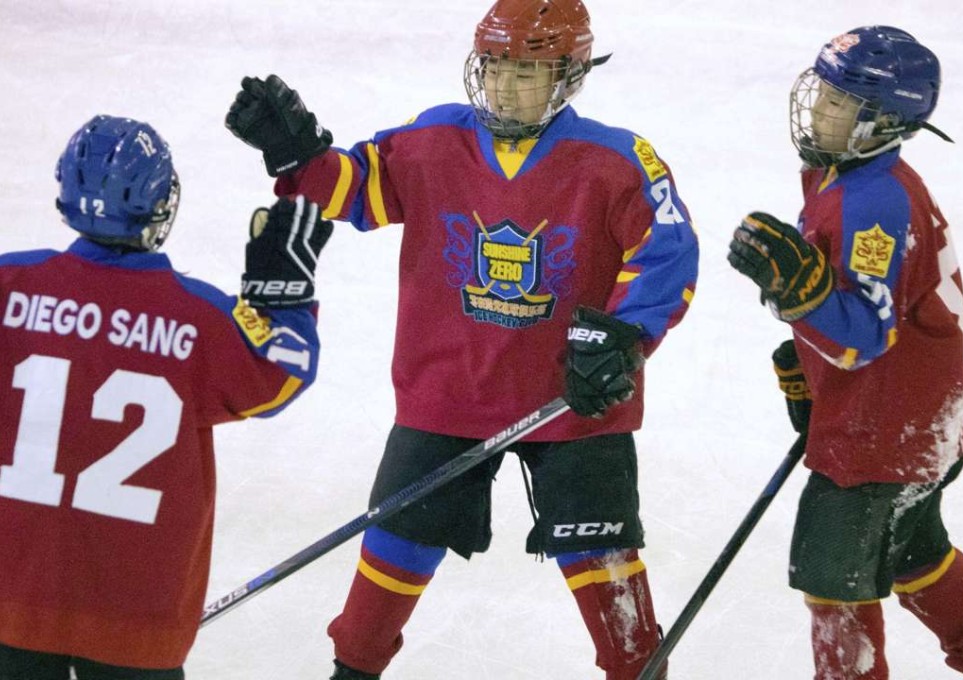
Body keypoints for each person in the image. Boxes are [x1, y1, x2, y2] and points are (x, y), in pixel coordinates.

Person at [224, 0, 699, 677]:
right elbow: (359, 189)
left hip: (573, 402)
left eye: (526, 71)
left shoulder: (615, 159)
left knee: (605, 560)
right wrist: (301, 154)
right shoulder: (435, 139)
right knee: (394, 543)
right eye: (495, 67)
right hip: (448, 392)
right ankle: (352, 668)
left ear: (570, 75)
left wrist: (624, 336)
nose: (504, 85)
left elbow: (667, 251)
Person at [728, 26, 963, 680]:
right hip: (915, 419)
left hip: (888, 433)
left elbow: (863, 333)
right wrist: (811, 370)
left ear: (883, 122)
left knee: (837, 577)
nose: (818, 109)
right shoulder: (854, 177)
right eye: (822, 91)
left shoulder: (875, 203)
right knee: (915, 553)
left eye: (841, 102)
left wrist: (802, 296)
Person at [0, 115, 332, 679]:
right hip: (137, 622)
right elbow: (285, 373)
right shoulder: (198, 317)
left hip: (11, 600)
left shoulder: (9, 286)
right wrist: (286, 301)